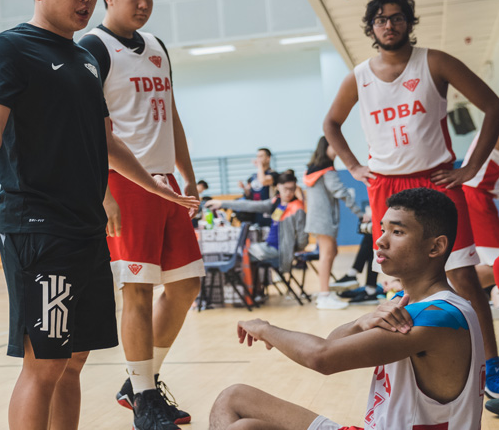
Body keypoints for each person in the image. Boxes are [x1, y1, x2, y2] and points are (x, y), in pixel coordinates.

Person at [0, 0, 199, 430]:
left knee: (74, 360)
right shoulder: (9, 48)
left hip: (85, 228)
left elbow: (106, 141)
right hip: (40, 228)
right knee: (45, 363)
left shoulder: (84, 60)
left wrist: (155, 186)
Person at [323, 0, 499, 398]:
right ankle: (415, 363)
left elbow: (493, 106)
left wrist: (471, 169)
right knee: (402, 281)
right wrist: (353, 166)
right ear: (372, 27)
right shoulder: (359, 76)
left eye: (397, 17)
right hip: (387, 184)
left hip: (436, 179)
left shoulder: (434, 61)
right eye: (381, 19)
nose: (390, 25)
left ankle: (491, 363)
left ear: (409, 22)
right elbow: (331, 123)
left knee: (463, 276)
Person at [209, 188, 486, 429]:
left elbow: (322, 357)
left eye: (397, 232)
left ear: (436, 247)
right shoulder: (410, 300)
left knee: (244, 428)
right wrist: (360, 322)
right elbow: (333, 342)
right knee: (232, 397)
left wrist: (265, 329)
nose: (380, 241)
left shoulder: (438, 316)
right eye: (382, 229)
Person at [78, 0, 204, 429]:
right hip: (125, 183)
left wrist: (187, 174)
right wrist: (102, 192)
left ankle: (139, 384)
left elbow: (170, 114)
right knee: (137, 290)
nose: (144, 4)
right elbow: (88, 129)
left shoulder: (156, 46)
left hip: (166, 184)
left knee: (187, 284)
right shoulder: (93, 47)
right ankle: (146, 396)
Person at [303, 136, 368, 310]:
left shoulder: (312, 170)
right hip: (323, 220)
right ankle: (324, 296)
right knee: (326, 254)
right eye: (334, 146)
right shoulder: (327, 171)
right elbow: (342, 192)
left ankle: (326, 292)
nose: (338, 150)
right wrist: (360, 213)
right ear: (325, 147)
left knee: (331, 252)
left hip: (318, 219)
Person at [207, 172, 308, 279]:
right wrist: (222, 203)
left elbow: (303, 239)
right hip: (269, 246)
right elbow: (250, 205)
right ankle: (254, 287)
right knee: (238, 251)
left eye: (292, 189)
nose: (288, 192)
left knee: (242, 253)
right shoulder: (276, 202)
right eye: (286, 189)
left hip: (279, 251)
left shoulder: (297, 208)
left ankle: (247, 287)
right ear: (278, 186)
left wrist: (289, 248)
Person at [461, 131, 499, 292]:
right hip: (475, 196)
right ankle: (432, 292)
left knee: (490, 264)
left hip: (476, 195)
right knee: (495, 264)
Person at [239, 148, 278, 225]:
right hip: (255, 214)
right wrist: (244, 188)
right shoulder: (253, 177)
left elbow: (263, 181)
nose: (258, 159)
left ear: (268, 158)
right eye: (257, 156)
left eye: (261, 156)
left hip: (268, 213)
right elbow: (248, 194)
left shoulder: (273, 174)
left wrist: (259, 166)